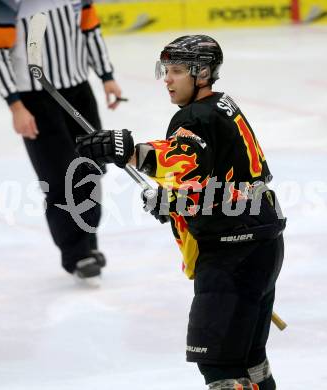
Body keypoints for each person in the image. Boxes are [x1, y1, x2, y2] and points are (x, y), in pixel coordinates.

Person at [76, 35, 286, 389]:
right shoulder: (223, 106)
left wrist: (127, 150)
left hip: (232, 254)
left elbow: (181, 157)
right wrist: (174, 203)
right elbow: (215, 178)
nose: (167, 80)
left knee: (220, 368)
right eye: (166, 70)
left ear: (201, 73)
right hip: (262, 244)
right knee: (250, 361)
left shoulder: (196, 116)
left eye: (175, 71)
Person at [0, 0, 123, 282]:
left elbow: (90, 29)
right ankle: (76, 254)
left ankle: (89, 245)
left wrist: (106, 76)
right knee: (59, 178)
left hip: (78, 90)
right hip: (35, 98)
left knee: (91, 168)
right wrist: (16, 106)